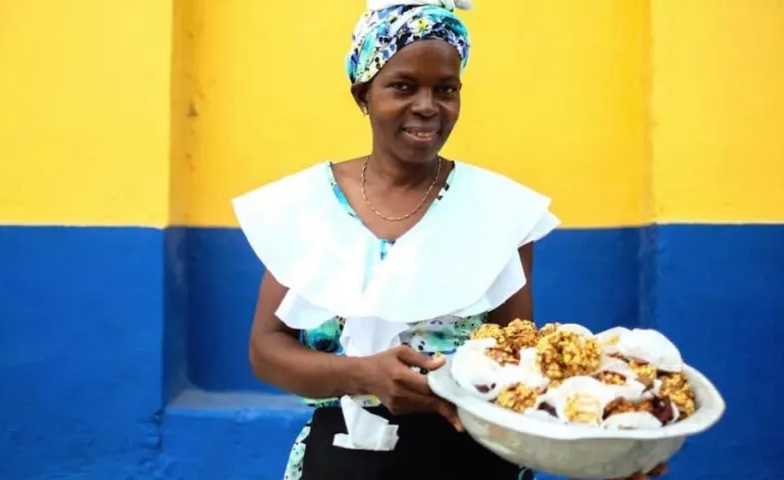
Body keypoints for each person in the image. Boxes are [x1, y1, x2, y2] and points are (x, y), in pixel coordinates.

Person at [232, 1, 669, 479]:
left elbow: (517, 366)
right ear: (363, 95)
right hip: (337, 463)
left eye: (446, 89)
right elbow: (267, 349)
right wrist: (362, 374)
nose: (427, 106)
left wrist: (605, 446)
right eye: (403, 86)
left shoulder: (498, 212)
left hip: (472, 463)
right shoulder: (307, 206)